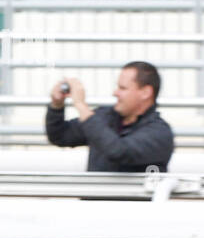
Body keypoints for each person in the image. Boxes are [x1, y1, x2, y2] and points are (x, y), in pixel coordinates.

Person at [45, 61, 174, 172]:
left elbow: (119, 151)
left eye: (122, 88)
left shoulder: (159, 133)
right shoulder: (105, 117)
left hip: (133, 201)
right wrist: (57, 105)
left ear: (145, 93)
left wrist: (80, 105)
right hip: (95, 200)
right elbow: (59, 136)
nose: (115, 93)